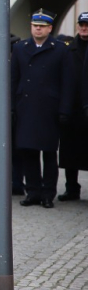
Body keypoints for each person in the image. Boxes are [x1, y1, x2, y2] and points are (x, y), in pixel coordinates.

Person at [12, 9, 73, 209]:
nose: (37, 29)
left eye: (41, 26)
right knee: (28, 152)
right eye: (34, 26)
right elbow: (14, 80)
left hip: (49, 108)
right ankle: (33, 191)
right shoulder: (21, 48)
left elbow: (67, 82)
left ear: (49, 28)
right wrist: (12, 106)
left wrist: (64, 109)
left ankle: (48, 193)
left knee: (48, 153)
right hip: (26, 107)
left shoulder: (60, 49)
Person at [58, 11, 88, 201]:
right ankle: (71, 188)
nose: (84, 29)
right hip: (72, 107)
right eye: (82, 25)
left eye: (87, 26)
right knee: (70, 151)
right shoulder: (68, 48)